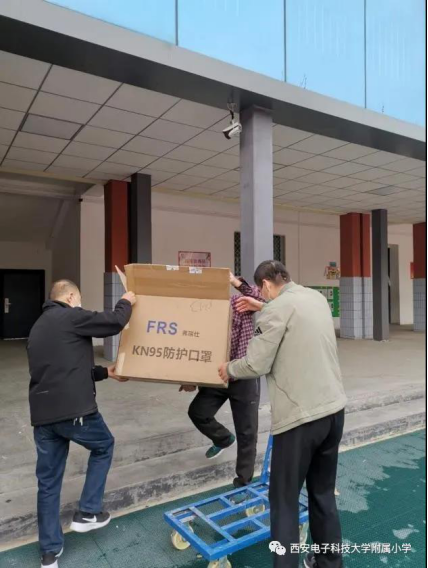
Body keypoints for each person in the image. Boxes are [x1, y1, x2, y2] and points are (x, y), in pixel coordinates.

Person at [218, 261, 347, 568]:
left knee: (284, 502)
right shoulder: (314, 298)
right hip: (333, 410)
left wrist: (228, 368)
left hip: (299, 420)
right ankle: (329, 562)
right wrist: (263, 306)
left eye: (261, 291)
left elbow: (255, 363)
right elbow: (291, 315)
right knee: (322, 494)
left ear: (264, 284)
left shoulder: (275, 310)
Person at [27, 279, 136, 568]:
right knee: (104, 445)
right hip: (74, 411)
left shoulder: (38, 327)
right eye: (79, 299)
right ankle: (88, 512)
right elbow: (114, 322)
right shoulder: (71, 316)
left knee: (48, 484)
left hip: (43, 417)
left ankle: (49, 554)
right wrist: (126, 300)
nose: (80, 305)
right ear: (71, 297)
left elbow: (65, 366)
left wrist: (105, 373)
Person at [180, 272, 263, 489]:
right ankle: (223, 439)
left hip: (242, 375)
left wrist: (236, 282)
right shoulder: (196, 316)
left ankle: (243, 483)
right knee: (198, 412)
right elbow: (192, 347)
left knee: (247, 432)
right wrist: (190, 377)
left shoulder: (237, 304)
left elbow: (261, 297)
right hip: (216, 375)